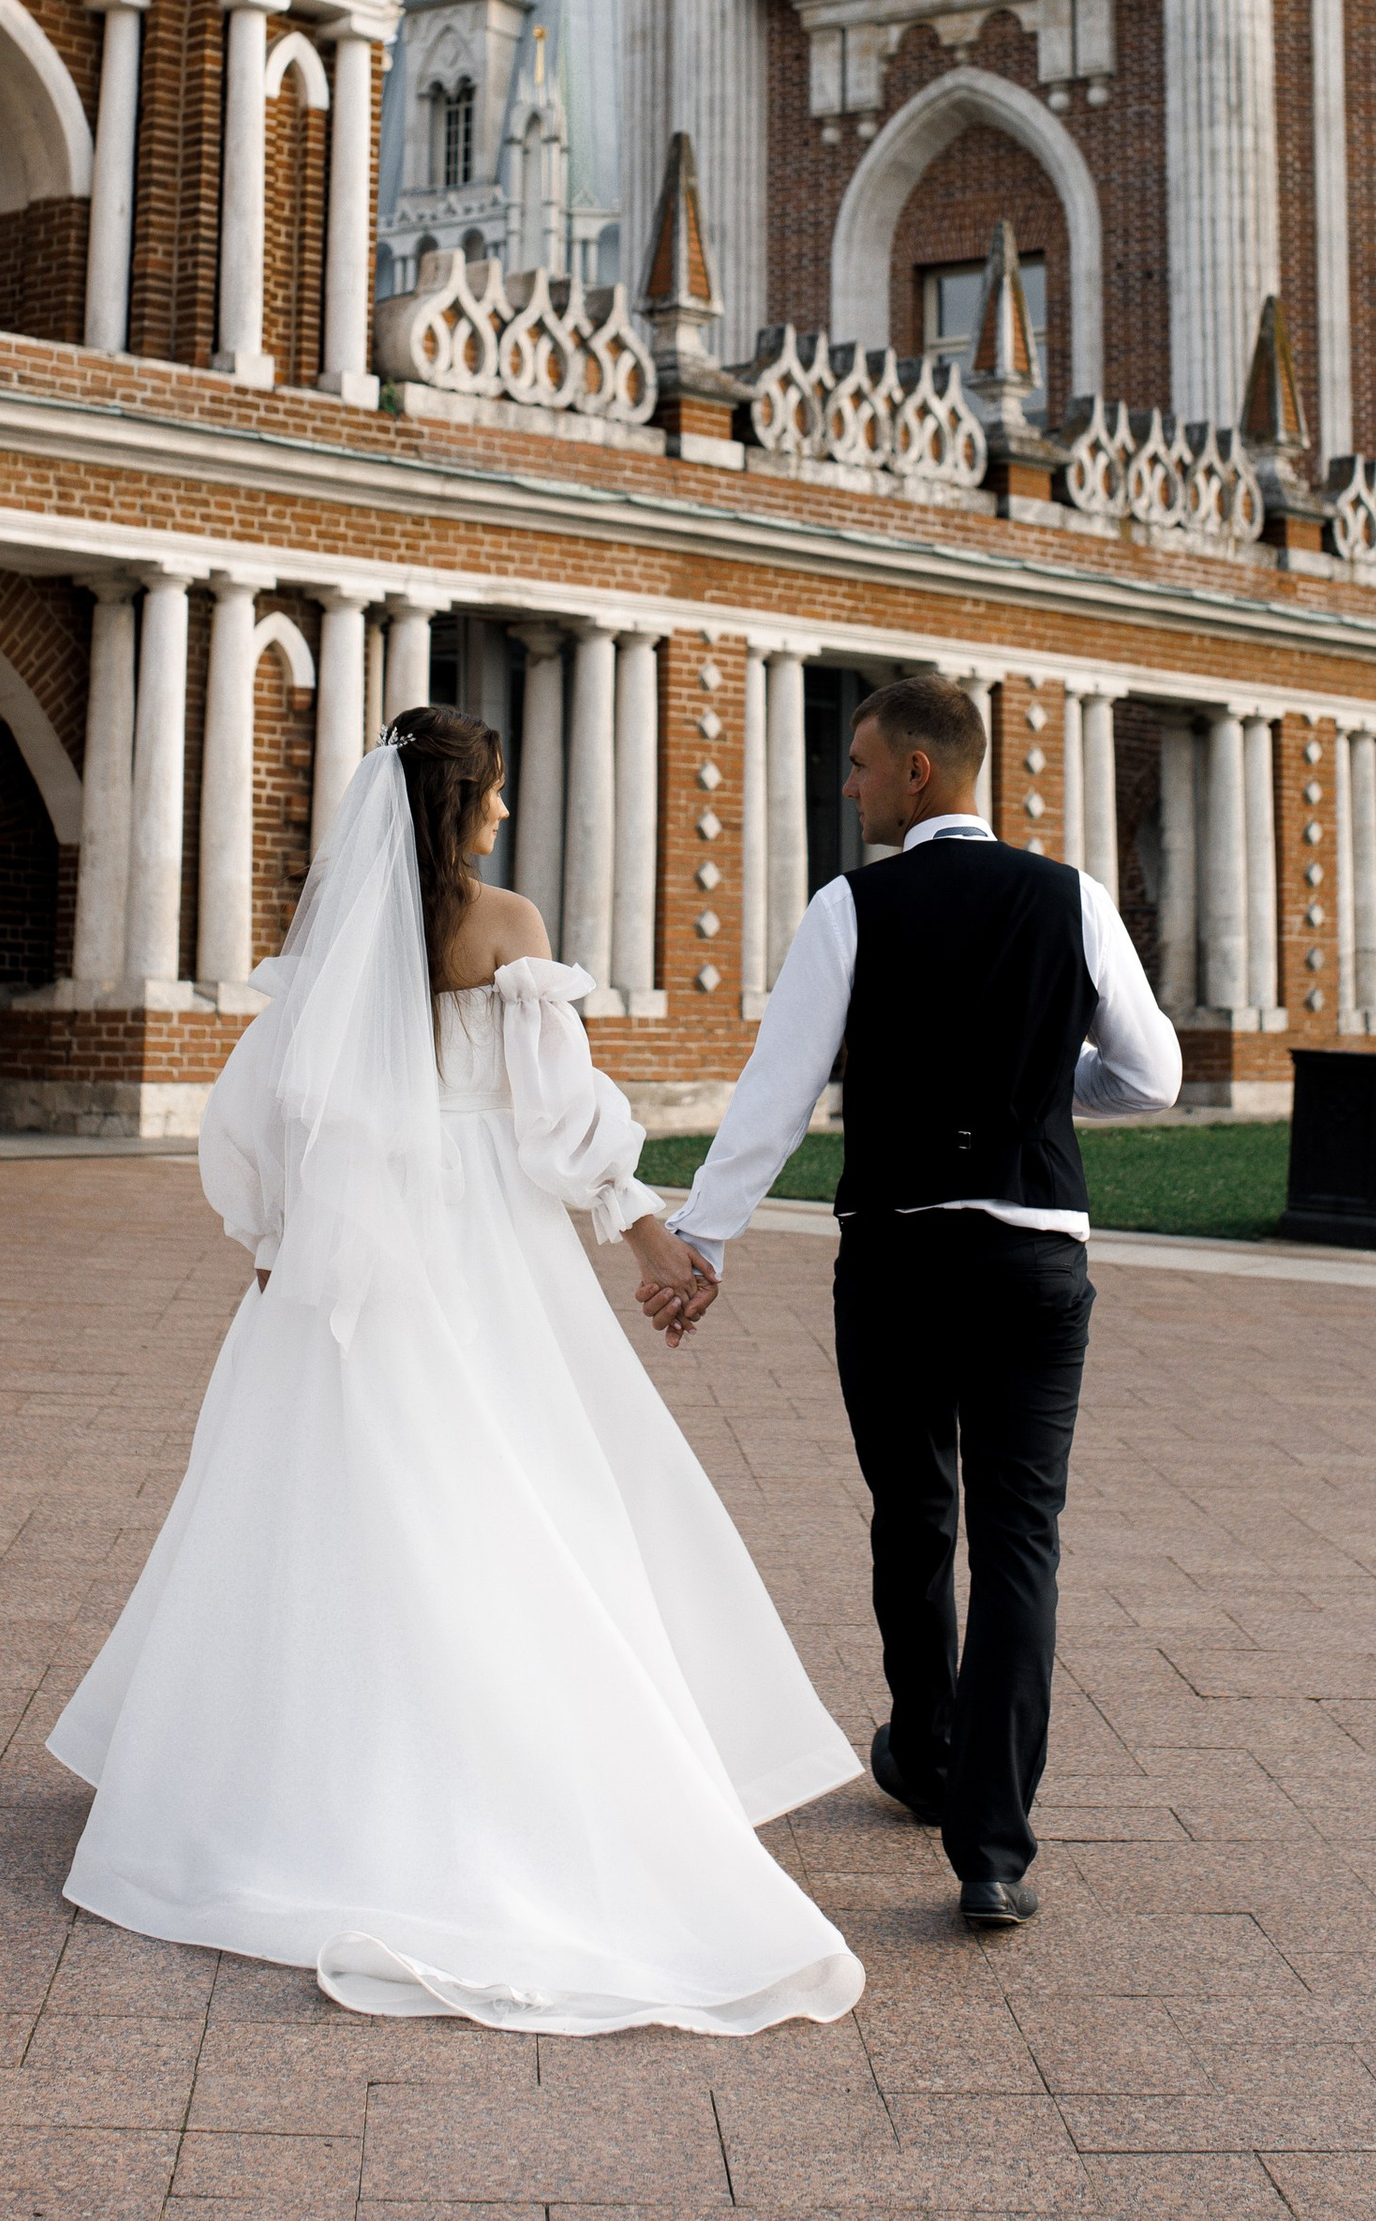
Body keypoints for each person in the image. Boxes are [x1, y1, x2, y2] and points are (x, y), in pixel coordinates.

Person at [49, 707, 862, 2036]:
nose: (498, 816)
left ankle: (276, 1775)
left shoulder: (339, 952)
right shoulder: (507, 925)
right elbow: (563, 1126)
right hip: (490, 1246)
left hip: (347, 1257)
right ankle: (535, 1767)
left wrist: (275, 1240)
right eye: (491, 798)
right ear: (468, 803)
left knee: (328, 1506)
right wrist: (657, 1243)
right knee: (541, 1484)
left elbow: (265, 1114)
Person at [656, 675, 1180, 1931]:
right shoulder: (1070, 895)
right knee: (1017, 1542)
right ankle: (991, 1847)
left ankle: (926, 1752)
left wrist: (701, 1242)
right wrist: (1047, 1096)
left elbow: (778, 1091)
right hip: (1033, 1256)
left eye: (857, 764)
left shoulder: (850, 906)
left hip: (893, 1254)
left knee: (912, 1510)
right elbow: (1152, 1076)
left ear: (918, 776)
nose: (845, 786)